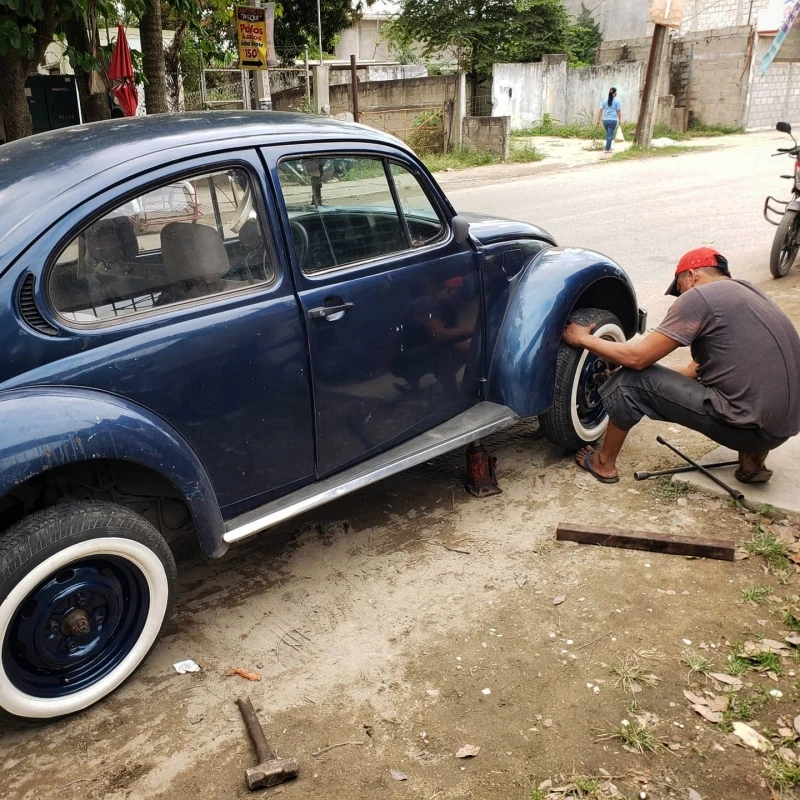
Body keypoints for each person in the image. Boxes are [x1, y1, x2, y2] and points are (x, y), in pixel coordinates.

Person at [562, 247, 800, 484]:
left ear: (692, 276)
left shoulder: (700, 297)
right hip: (782, 430)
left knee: (628, 382)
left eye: (679, 288)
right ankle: (753, 462)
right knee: (753, 390)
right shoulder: (750, 295)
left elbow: (637, 359)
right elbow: (690, 372)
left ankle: (603, 463)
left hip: (746, 428)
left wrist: (582, 339)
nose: (680, 296)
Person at [596, 87, 622, 153]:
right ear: (615, 93)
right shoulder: (617, 101)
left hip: (605, 120)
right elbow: (618, 111)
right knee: (610, 135)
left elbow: (600, 110)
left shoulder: (604, 101)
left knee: (608, 134)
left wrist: (598, 120)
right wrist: (620, 120)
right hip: (613, 120)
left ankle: (608, 147)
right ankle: (607, 149)